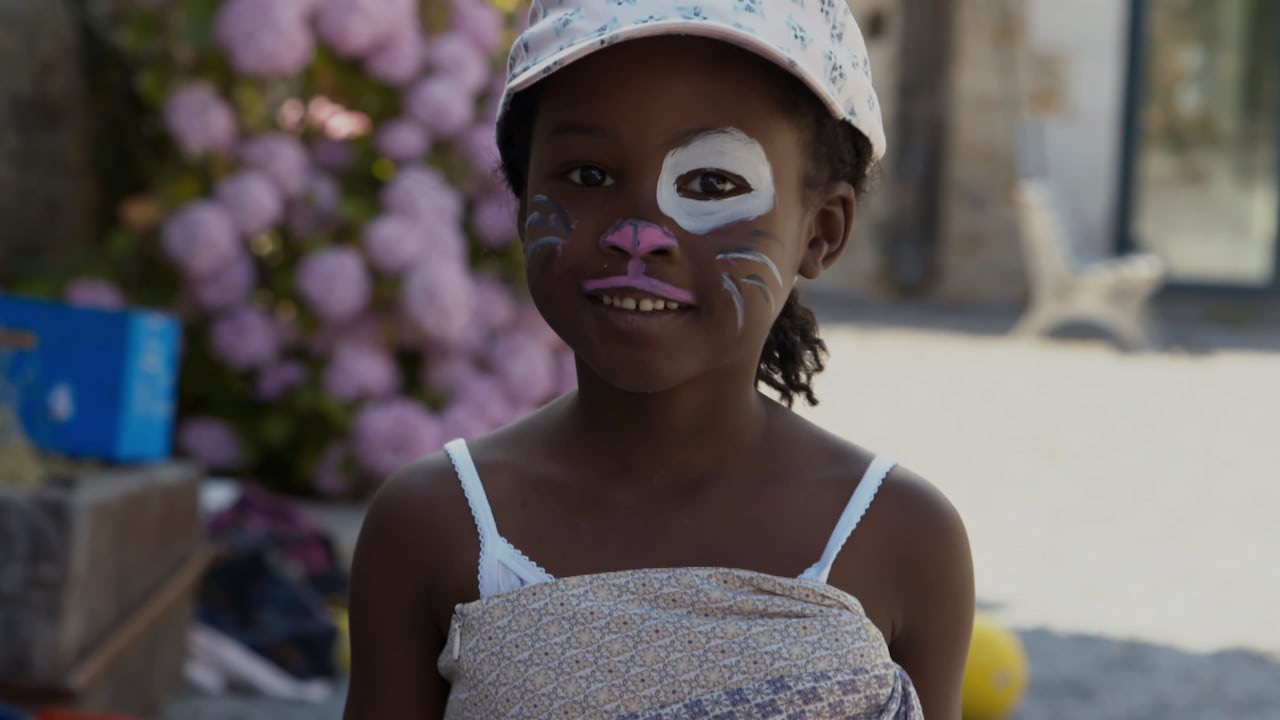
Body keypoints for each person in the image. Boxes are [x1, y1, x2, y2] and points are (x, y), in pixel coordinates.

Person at [344, 2, 975, 718]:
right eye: (586, 174)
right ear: (522, 204)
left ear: (821, 232)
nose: (638, 234)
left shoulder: (901, 536)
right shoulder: (437, 524)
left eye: (711, 185)